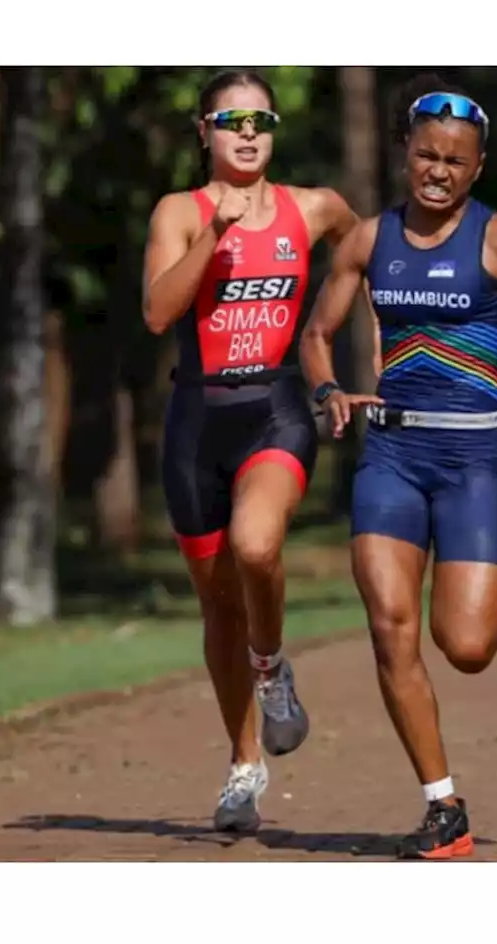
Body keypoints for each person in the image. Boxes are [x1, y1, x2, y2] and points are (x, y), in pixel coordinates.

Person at [300, 75, 497, 860]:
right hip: (391, 456)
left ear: (478, 167)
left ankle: (482, 564)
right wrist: (328, 387)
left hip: (471, 459)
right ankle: (444, 809)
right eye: (427, 154)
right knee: (390, 629)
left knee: (464, 645)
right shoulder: (369, 239)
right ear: (408, 153)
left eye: (455, 161)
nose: (438, 170)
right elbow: (316, 333)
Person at [140, 70, 359, 833]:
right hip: (198, 425)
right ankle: (242, 766)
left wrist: (334, 355)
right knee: (217, 605)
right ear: (204, 131)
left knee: (255, 545)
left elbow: (369, 260)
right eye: (231, 120)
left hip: (274, 410)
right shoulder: (180, 211)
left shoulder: (313, 207)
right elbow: (158, 309)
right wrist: (216, 236)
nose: (247, 133)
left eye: (261, 121)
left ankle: (272, 673)